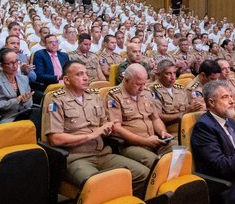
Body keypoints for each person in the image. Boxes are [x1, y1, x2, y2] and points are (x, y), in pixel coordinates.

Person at [44, 60, 149, 195]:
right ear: (66, 80)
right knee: (100, 184)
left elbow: (103, 125)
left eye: (86, 73)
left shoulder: (93, 96)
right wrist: (91, 135)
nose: (86, 77)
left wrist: (108, 128)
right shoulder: (56, 101)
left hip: (102, 153)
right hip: (76, 158)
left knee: (142, 174)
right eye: (79, 74)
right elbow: (55, 139)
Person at [106, 63, 173, 168]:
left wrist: (162, 132)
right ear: (126, 80)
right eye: (138, 84)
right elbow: (116, 129)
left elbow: (155, 118)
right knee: (157, 164)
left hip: (154, 140)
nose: (142, 88)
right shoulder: (114, 96)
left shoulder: (146, 92)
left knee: (178, 151)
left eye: (144, 83)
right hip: (131, 145)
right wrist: (145, 141)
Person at [149, 60, 204, 136]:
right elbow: (158, 116)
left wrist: (195, 106)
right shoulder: (152, 90)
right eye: (168, 74)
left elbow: (188, 108)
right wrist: (184, 113)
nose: (172, 77)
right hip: (170, 131)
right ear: (158, 75)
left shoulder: (180, 89)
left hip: (188, 127)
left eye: (174, 73)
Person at [0, 48, 33, 122]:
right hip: (6, 116)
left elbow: (29, 104)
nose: (15, 66)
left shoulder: (24, 79)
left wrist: (26, 100)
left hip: (25, 114)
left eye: (17, 61)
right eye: (10, 63)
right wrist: (15, 101)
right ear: (2, 65)